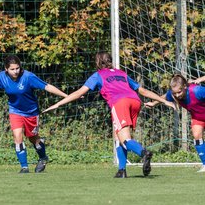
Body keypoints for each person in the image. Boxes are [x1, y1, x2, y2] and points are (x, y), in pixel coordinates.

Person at [42, 52, 175, 178]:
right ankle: (121, 170)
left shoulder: (98, 75)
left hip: (120, 103)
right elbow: (142, 91)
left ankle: (143, 152)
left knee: (124, 139)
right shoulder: (121, 73)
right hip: (135, 101)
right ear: (110, 61)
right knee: (118, 135)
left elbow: (78, 93)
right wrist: (163, 101)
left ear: (98, 62)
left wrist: (58, 104)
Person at [145, 74, 205, 173]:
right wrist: (153, 103)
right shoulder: (173, 94)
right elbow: (165, 96)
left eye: (179, 92)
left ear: (185, 86)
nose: (177, 95)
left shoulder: (197, 90)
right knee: (196, 135)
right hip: (198, 117)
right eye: (175, 93)